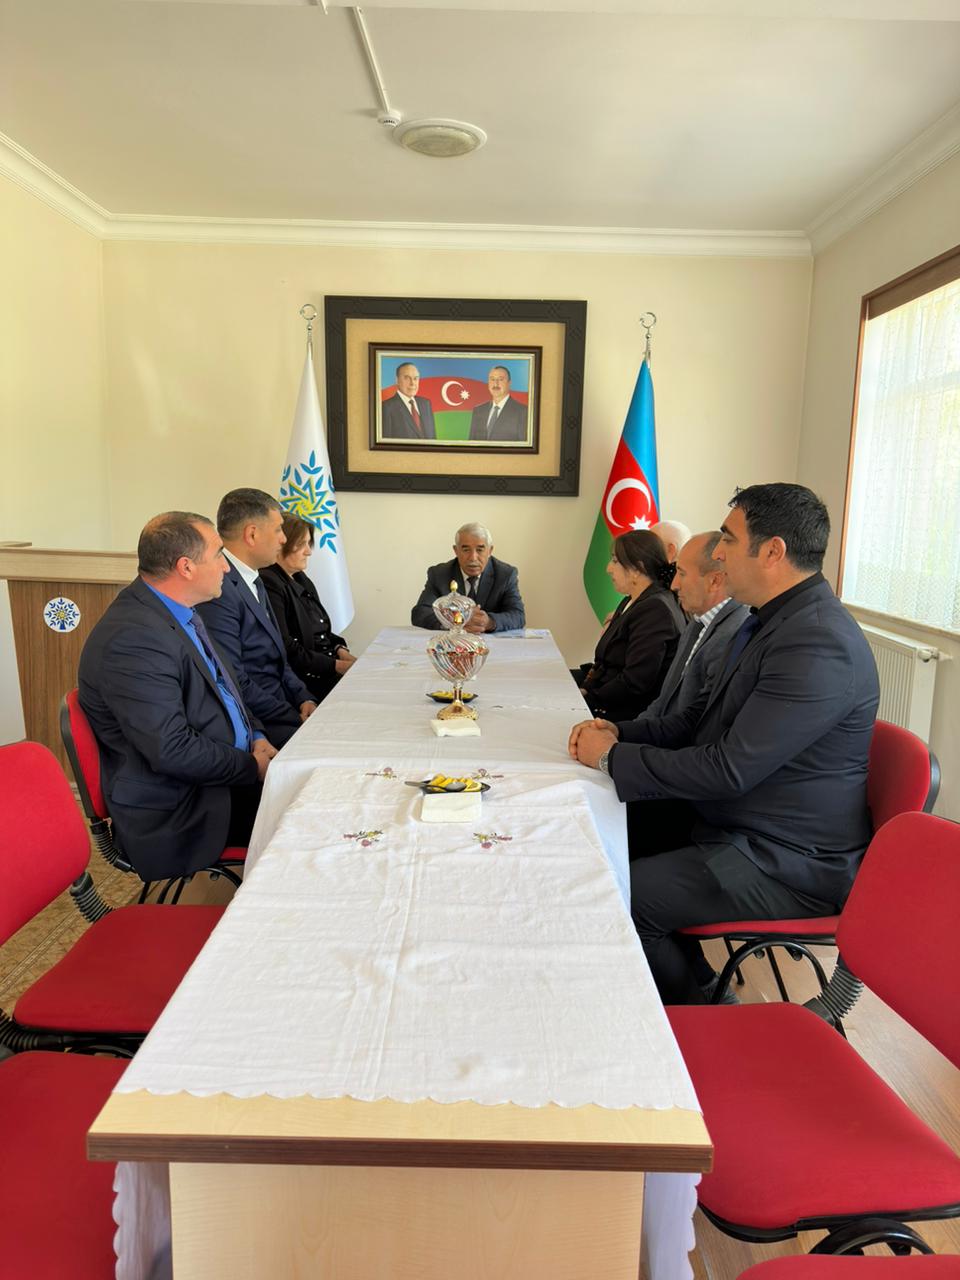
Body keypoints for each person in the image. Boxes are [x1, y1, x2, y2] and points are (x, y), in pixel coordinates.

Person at [568, 483, 879, 1005]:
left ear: (773, 551)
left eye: (730, 539)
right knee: (597, 835)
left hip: (784, 859)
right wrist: (621, 733)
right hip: (736, 821)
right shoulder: (768, 620)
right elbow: (699, 720)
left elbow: (729, 769)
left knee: (622, 894)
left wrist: (612, 758)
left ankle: (705, 1018)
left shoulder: (817, 641)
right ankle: (695, 980)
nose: (719, 553)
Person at [78, 512, 276, 882]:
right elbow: (172, 749)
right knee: (308, 818)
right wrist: (252, 767)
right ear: (186, 567)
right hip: (181, 808)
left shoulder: (176, 612)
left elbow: (227, 690)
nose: (226, 567)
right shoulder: (133, 638)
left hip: (218, 777)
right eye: (218, 555)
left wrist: (258, 736)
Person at [197, 488, 317, 747]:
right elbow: (234, 679)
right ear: (252, 534)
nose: (284, 539)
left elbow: (279, 657)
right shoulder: (219, 589)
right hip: (259, 722)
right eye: (278, 530)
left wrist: (304, 698)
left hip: (283, 707)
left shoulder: (254, 577)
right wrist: (292, 716)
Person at [571, 530, 685, 721]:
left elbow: (636, 681)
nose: (608, 568)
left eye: (615, 561)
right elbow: (604, 664)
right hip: (605, 696)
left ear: (637, 569)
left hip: (625, 714)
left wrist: (588, 699)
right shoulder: (632, 600)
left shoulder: (656, 609)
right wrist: (585, 688)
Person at [641, 531, 749, 720]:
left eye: (681, 573)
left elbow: (695, 723)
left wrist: (622, 736)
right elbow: (664, 702)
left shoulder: (734, 634)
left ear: (714, 581)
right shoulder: (697, 623)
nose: (674, 585)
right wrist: (620, 732)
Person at [260, 511, 356, 703]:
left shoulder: (301, 578)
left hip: (327, 669)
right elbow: (286, 646)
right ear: (282, 544)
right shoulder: (269, 582)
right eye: (301, 544)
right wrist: (338, 666)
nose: (308, 552)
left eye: (308, 543)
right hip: (306, 681)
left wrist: (341, 651)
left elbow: (321, 629)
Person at [411, 522, 525, 633]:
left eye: (480, 550)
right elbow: (420, 613)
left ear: (490, 551)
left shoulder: (505, 574)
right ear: (456, 551)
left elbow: (518, 615)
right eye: (466, 550)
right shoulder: (439, 574)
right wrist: (455, 621)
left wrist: (489, 622)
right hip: (454, 642)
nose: (473, 557)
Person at [468, 367, 528, 442]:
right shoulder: (478, 410)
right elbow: (472, 444)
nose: (495, 384)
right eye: (492, 379)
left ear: (509, 383)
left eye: (500, 379)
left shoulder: (523, 412)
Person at [380, 363, 437, 440]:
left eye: (415, 378)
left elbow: (433, 439)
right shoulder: (387, 407)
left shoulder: (426, 404)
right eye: (407, 378)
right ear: (397, 380)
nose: (412, 383)